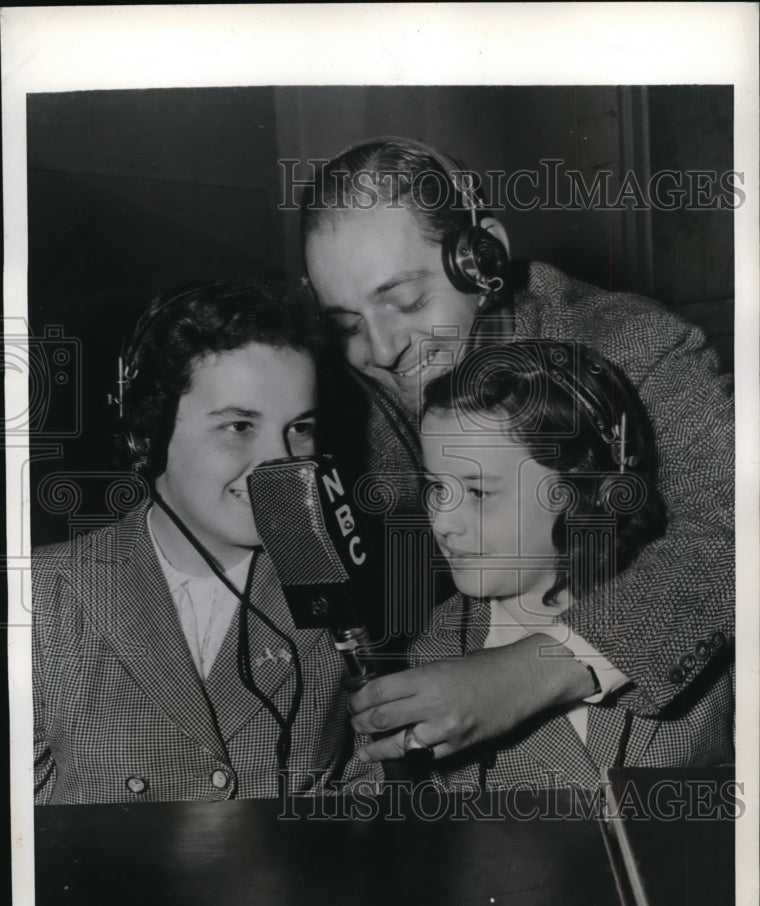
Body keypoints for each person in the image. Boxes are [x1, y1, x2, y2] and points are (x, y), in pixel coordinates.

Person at [300, 136, 734, 767]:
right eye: (347, 324)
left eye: (407, 301)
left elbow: (734, 534)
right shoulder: (351, 396)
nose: (383, 348)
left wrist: (528, 672)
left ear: (483, 258)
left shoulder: (637, 346)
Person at [32, 278, 380, 804]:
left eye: (300, 428)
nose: (280, 464)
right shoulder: (40, 597)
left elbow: (371, 799)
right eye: (239, 426)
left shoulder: (346, 590)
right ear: (143, 434)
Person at [394, 342, 733, 788]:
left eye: (478, 492)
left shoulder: (693, 616)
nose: (441, 521)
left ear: (585, 493)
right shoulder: (431, 663)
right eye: (436, 488)